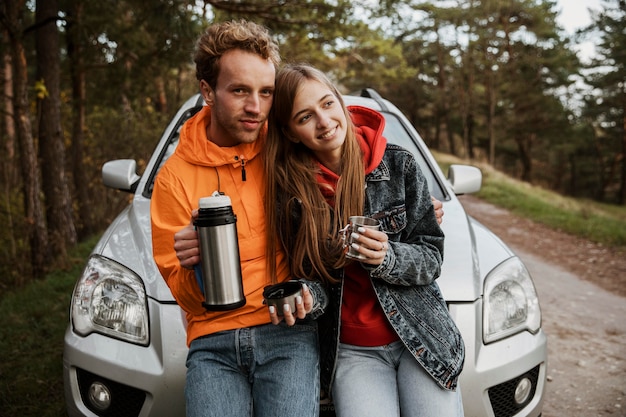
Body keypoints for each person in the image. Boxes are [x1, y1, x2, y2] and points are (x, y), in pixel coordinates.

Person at [263, 64, 465, 417]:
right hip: (353, 351)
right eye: (305, 117)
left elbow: (432, 257)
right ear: (291, 132)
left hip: (418, 336)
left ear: (340, 103)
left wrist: (388, 256)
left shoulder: (399, 164)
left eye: (327, 105)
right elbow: (318, 285)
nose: (324, 122)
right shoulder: (293, 197)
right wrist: (308, 296)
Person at [150, 21, 324, 417]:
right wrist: (193, 266)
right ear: (208, 90)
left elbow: (342, 142)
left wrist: (405, 198)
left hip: (287, 331)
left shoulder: (286, 146)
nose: (256, 108)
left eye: (266, 93)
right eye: (240, 91)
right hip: (213, 341)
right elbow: (187, 297)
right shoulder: (174, 178)